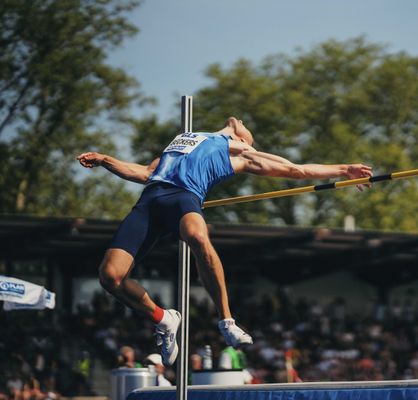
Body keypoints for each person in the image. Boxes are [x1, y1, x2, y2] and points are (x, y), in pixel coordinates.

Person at [77, 117, 373, 365]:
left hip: (184, 198)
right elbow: (146, 172)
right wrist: (105, 160)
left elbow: (298, 170)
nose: (241, 123)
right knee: (109, 276)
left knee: (196, 235)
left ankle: (227, 321)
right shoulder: (185, 138)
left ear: (245, 141)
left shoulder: (242, 154)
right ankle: (163, 318)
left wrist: (344, 169)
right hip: (150, 200)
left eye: (246, 131)